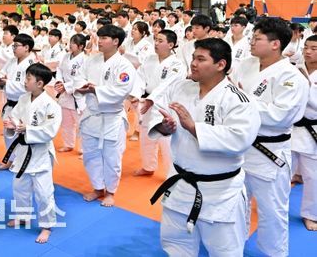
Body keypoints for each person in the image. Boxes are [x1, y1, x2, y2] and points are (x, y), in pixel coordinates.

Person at [145, 38, 260, 256]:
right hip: (179, 185)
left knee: (225, 251)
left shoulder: (238, 100)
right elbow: (159, 114)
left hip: (219, 193)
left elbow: (240, 139)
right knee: (175, 246)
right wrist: (164, 126)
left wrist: (193, 127)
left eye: (201, 59)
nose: (193, 64)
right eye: (193, 58)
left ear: (221, 64)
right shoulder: (181, 87)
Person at [230, 17, 309, 256]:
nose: (252, 42)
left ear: (275, 44)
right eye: (252, 37)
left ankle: (274, 253)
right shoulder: (246, 64)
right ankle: (233, 247)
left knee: (272, 210)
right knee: (235, 203)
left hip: (269, 152)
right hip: (240, 146)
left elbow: (280, 116)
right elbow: (230, 94)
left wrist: (243, 100)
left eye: (257, 38)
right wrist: (240, 100)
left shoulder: (291, 77)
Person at [76, 24, 135, 207]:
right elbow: (79, 77)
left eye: (104, 38)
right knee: (90, 155)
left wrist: (96, 89)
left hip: (112, 118)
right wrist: (82, 87)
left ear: (116, 41)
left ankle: (110, 192)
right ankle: (98, 188)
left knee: (112, 158)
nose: (99, 41)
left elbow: (122, 91)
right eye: (99, 37)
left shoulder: (124, 65)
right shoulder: (92, 60)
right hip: (92, 115)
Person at [3, 63, 62, 244]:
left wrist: (26, 128)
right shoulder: (23, 99)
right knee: (19, 188)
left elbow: (50, 131)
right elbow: (14, 117)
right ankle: (23, 216)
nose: (25, 81)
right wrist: (12, 125)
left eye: (28, 78)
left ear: (40, 83)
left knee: (44, 193)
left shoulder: (51, 105)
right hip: (23, 152)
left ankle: (47, 226)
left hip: (40, 154)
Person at [129, 29, 185, 177]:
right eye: (156, 40)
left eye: (160, 41)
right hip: (148, 103)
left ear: (171, 45)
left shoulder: (177, 64)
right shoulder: (150, 59)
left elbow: (166, 85)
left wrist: (151, 99)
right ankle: (148, 166)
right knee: (146, 136)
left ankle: (171, 175)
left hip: (166, 105)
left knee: (166, 142)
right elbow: (140, 77)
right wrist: (136, 94)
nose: (156, 43)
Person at [0, 33, 36, 171]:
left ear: (26, 47)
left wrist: (7, 82)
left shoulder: (32, 64)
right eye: (13, 46)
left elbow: (27, 87)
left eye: (16, 46)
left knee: (21, 135)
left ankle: (22, 162)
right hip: (10, 103)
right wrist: (4, 79)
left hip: (24, 105)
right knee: (8, 134)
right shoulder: (12, 61)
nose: (13, 49)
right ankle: (11, 160)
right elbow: (1, 74)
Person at [292, 35, 317, 231]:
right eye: (306, 47)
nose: (308, 51)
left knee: (313, 177)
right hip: (291, 129)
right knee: (281, 175)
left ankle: (311, 215)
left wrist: (307, 88)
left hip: (313, 131)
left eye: (314, 49)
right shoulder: (294, 69)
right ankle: (276, 210)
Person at [54, 33, 87, 152]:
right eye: (70, 42)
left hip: (77, 95)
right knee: (66, 122)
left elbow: (81, 79)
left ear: (81, 46)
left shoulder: (85, 60)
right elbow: (59, 69)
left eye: (73, 43)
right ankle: (68, 144)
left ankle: (84, 149)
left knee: (81, 123)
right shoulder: (66, 56)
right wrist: (59, 81)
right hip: (65, 94)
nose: (70, 45)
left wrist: (65, 86)